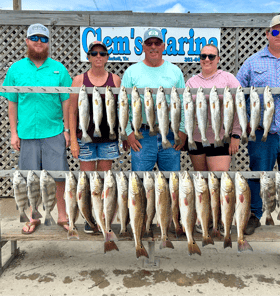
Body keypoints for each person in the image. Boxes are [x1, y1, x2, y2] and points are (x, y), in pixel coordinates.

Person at [236, 14, 280, 236]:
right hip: (260, 132)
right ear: (267, 34)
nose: (279, 35)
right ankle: (255, 215)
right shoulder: (252, 62)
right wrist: (245, 121)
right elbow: (238, 91)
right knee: (259, 174)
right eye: (275, 31)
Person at [1, 24, 72, 234]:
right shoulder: (15, 69)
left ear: (48, 43)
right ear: (27, 41)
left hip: (54, 132)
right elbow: (12, 103)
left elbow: (66, 102)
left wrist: (67, 130)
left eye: (43, 38)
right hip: (27, 134)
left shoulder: (59, 69)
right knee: (29, 178)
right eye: (35, 38)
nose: (39, 42)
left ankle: (62, 216)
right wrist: (13, 132)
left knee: (59, 177)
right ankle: (34, 217)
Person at [69, 41, 127, 233]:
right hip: (85, 139)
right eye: (94, 53)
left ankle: (104, 215)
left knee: (104, 180)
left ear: (107, 57)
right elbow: (72, 113)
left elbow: (121, 111)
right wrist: (73, 140)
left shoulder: (116, 80)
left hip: (108, 139)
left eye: (102, 53)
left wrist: (122, 134)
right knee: (86, 180)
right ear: (88, 56)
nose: (98, 57)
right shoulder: (79, 80)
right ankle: (89, 217)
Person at [121, 28, 186, 171]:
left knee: (172, 184)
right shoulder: (131, 72)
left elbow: (184, 104)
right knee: (140, 184)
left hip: (170, 132)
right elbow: (123, 105)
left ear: (164, 46)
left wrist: (182, 130)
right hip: (141, 134)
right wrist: (128, 132)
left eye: (157, 43)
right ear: (143, 47)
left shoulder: (175, 71)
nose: (153, 47)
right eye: (149, 43)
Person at [185, 44, 241, 172]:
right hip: (196, 138)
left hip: (221, 137)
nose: (207, 59)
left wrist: (236, 135)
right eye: (203, 56)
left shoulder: (228, 78)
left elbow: (239, 107)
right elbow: (186, 112)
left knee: (218, 181)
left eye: (211, 56)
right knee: (202, 183)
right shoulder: (191, 82)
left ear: (218, 59)